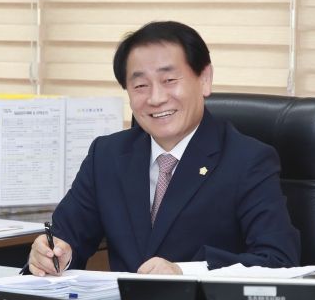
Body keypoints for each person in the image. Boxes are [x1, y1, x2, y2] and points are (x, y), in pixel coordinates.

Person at [28, 20, 299, 276]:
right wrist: (50, 255)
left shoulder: (247, 160)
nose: (156, 98)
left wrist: (184, 272)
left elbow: (278, 261)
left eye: (169, 80)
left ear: (204, 79)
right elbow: (66, 240)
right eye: (140, 85)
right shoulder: (107, 156)